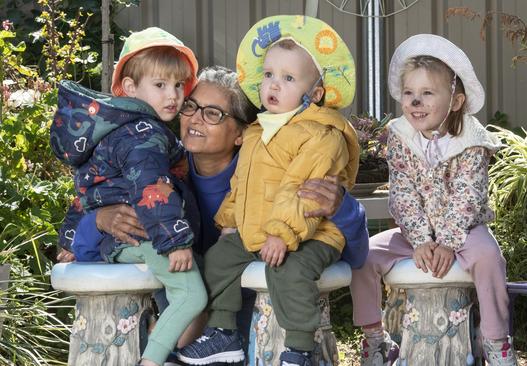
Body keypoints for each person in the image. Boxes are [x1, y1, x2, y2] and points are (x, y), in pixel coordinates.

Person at [59, 65, 370, 365]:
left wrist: (343, 207)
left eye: (212, 113)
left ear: (242, 134)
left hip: (258, 340)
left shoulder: (273, 179)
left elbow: (356, 257)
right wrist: (98, 221)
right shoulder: (153, 178)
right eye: (191, 107)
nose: (195, 119)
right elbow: (83, 254)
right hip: (174, 346)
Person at [177, 15, 359, 366]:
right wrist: (230, 220)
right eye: (269, 75)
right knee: (218, 259)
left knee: (288, 270)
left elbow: (302, 190)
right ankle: (223, 333)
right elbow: (243, 183)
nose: (274, 85)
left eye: (289, 79)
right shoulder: (259, 132)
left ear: (316, 93)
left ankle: (299, 348)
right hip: (261, 228)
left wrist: (281, 234)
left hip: (310, 232)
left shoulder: (322, 135)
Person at [349, 34, 517, 366]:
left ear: (454, 101)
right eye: (409, 94)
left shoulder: (470, 141)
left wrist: (449, 242)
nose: (415, 102)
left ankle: (496, 340)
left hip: (464, 229)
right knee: (364, 256)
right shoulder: (401, 137)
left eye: (427, 93)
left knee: (489, 258)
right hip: (416, 233)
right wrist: (421, 240)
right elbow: (402, 191)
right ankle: (375, 337)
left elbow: (468, 195)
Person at [50, 27, 207, 366]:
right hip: (146, 235)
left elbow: (86, 191)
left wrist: (69, 238)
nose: (174, 95)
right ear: (130, 88)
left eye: (179, 85)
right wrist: (174, 241)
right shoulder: (145, 134)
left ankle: (157, 345)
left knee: (176, 294)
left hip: (124, 239)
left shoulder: (114, 133)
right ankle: (151, 361)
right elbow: (152, 189)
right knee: (191, 295)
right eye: (161, 85)